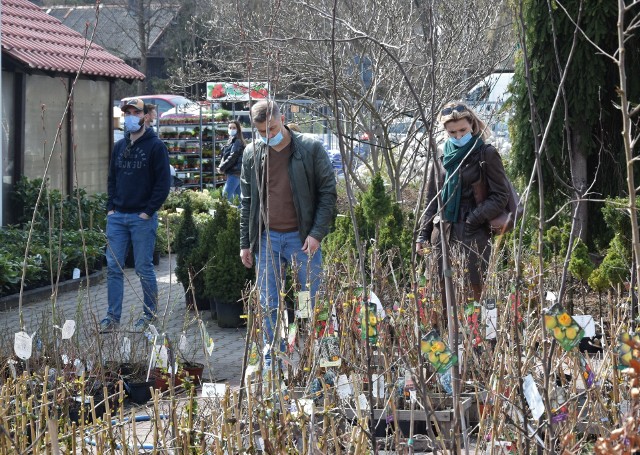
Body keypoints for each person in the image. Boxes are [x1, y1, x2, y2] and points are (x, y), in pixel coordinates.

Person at [240, 100, 337, 367]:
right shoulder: (252, 153)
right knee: (269, 303)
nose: (268, 136)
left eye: (271, 129)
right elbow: (247, 200)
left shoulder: (309, 148)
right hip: (267, 238)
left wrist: (316, 233)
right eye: (261, 132)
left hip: (302, 239)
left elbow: (328, 194)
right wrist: (245, 243)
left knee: (310, 301)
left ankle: (314, 355)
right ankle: (275, 358)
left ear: (281, 118)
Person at [416, 102, 509, 311]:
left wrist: (472, 220)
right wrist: (422, 235)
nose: (458, 136)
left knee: (476, 297)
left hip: (473, 236)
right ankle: (447, 340)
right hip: (442, 235)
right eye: (452, 132)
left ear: (472, 125)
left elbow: (500, 196)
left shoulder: (486, 153)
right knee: (441, 296)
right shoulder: (442, 156)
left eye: (463, 130)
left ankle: (478, 343)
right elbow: (432, 198)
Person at [101, 98, 171, 332]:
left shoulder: (156, 147)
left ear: (145, 116)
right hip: (118, 217)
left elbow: (163, 184)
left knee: (143, 268)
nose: (130, 116)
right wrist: (111, 208)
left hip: (142, 218)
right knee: (113, 268)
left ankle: (149, 316)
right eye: (127, 112)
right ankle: (112, 318)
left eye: (135, 112)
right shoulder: (120, 146)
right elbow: (112, 178)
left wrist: (148, 212)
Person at [217, 120, 245, 203]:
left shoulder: (237, 141)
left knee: (224, 197)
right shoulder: (232, 141)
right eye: (230, 128)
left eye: (234, 128)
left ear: (238, 129)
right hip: (235, 172)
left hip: (235, 172)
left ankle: (223, 215)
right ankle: (241, 215)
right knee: (238, 200)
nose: (231, 129)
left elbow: (232, 157)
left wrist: (222, 168)